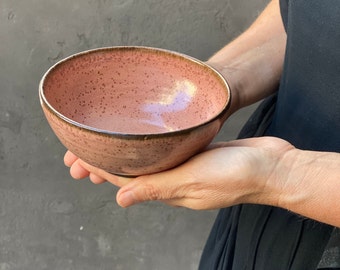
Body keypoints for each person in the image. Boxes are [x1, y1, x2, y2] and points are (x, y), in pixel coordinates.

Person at [64, 0, 340, 268]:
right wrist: (211, 88)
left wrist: (283, 173)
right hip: (266, 200)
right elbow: (305, 15)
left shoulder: (272, 171)